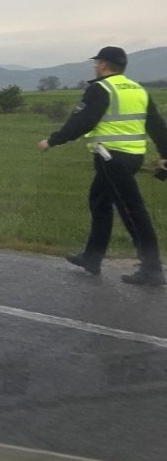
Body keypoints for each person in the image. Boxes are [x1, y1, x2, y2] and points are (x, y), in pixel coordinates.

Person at [39, 46, 167, 286]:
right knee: (99, 200)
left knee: (132, 209)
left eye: (97, 63)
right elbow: (157, 125)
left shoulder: (101, 88)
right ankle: (92, 257)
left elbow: (82, 121)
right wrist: (165, 153)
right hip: (133, 156)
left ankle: (152, 268)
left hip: (111, 157)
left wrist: (53, 140)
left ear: (104, 65)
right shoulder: (137, 89)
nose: (95, 66)